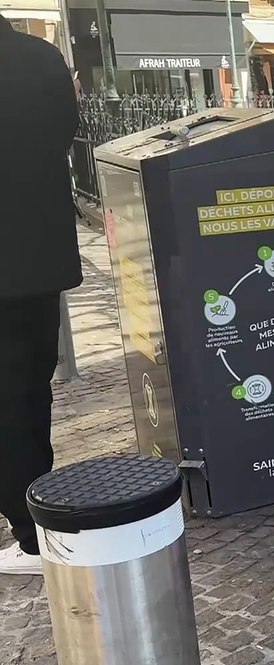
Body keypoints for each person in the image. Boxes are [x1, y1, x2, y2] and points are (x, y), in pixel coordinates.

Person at [0, 17, 84, 574]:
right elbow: (65, 130)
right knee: (30, 387)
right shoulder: (41, 57)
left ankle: (28, 531)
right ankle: (37, 514)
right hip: (36, 259)